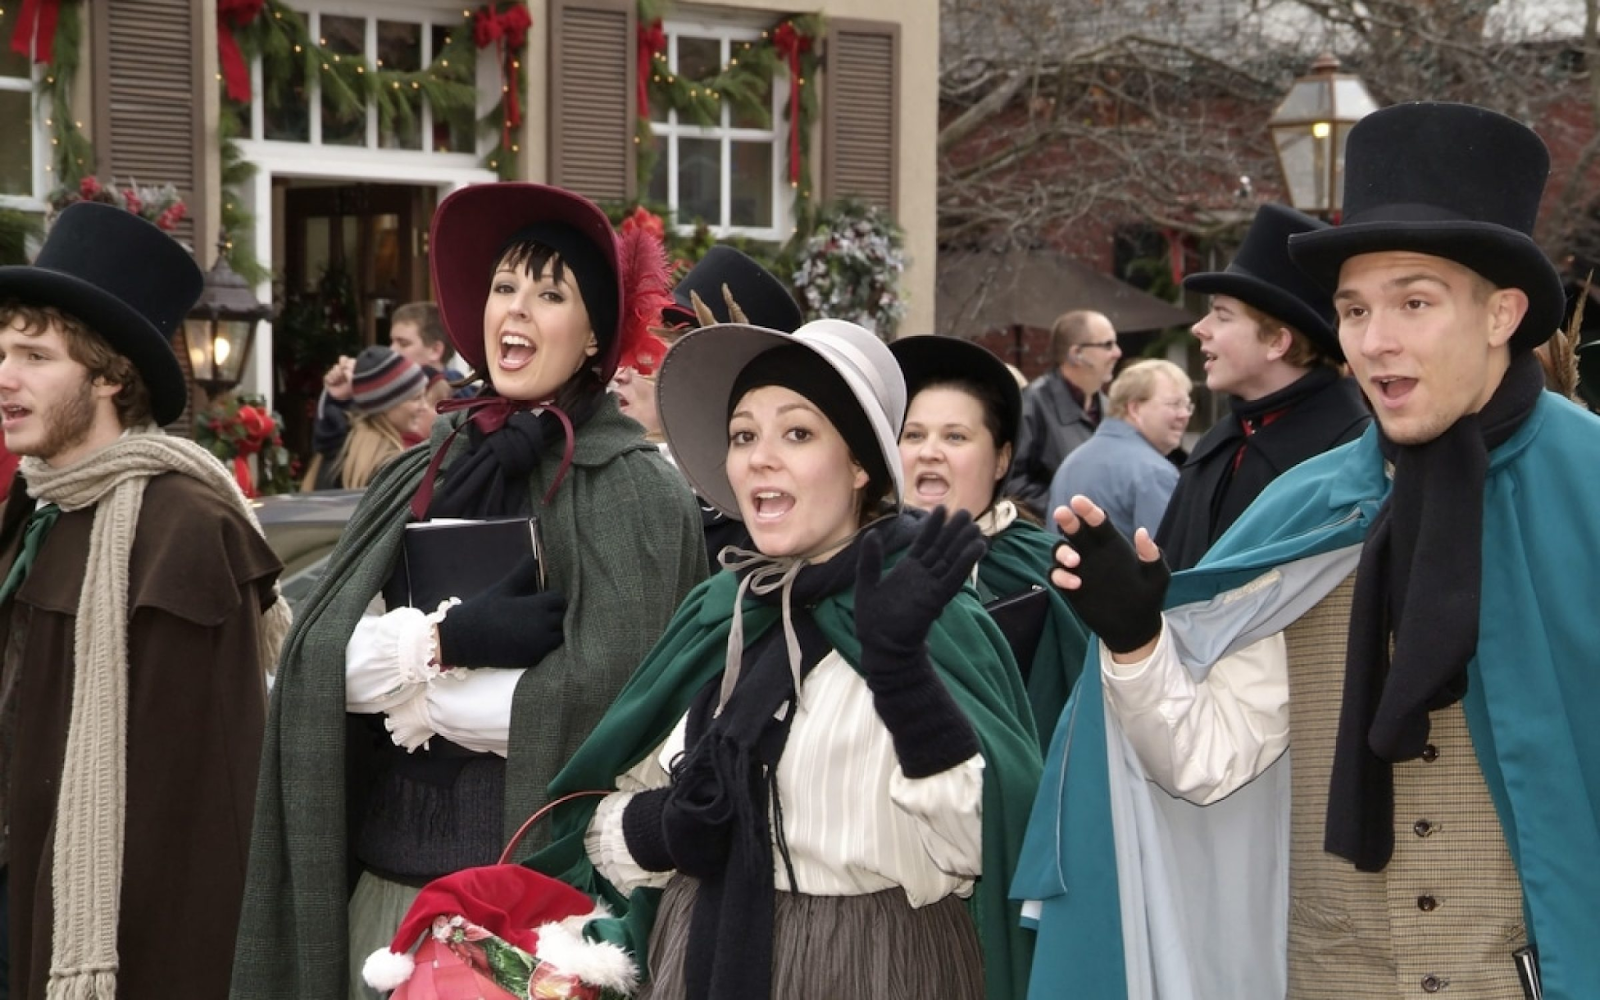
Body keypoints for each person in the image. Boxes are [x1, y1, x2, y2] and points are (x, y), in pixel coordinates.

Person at [1016, 102, 1600, 999]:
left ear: (1501, 314)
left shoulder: (1589, 490)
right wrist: (1135, 642)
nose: (1376, 340)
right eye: (1356, 309)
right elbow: (1207, 761)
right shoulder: (1310, 510)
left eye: (1415, 302)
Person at [231, 183, 708, 999]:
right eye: (504, 287)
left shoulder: (637, 492)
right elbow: (314, 662)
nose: (516, 311)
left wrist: (420, 697)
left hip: (539, 918)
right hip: (383, 893)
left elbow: (623, 713)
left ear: (596, 331)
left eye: (550, 294)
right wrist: (447, 647)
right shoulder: (424, 469)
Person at [528, 319, 1043, 1000]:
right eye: (744, 435)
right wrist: (663, 828)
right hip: (700, 955)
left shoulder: (930, 612)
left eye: (797, 433)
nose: (759, 458)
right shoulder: (721, 611)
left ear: (860, 464)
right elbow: (600, 815)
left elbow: (986, 844)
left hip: (875, 967)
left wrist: (901, 676)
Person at [0, 202, 288, 999]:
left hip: (118, 944)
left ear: (109, 376)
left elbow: (199, 808)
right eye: (1, 352)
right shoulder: (37, 506)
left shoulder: (182, 529)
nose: (4, 377)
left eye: (33, 354)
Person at [891, 333, 1091, 744]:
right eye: (913, 435)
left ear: (1001, 459)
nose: (929, 451)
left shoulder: (1052, 565)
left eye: (955, 436)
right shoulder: (846, 561)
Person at [1156, 203, 1371, 571]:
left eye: (1222, 315)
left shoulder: (1353, 453)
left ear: (1277, 343)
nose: (1200, 328)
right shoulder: (1218, 443)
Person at [1047, 359, 1192, 540]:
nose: (1184, 414)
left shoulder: (1071, 464)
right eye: (1175, 404)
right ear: (1135, 408)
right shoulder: (1154, 472)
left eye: (1187, 405)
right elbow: (1172, 558)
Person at [1004, 309, 1120, 518]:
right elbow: (1010, 480)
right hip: (1055, 538)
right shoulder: (1031, 405)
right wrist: (1064, 511)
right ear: (1076, 354)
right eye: (1107, 345)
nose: (1117, 353)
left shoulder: (1111, 409)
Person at [303, 345, 431, 491]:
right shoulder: (389, 467)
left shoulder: (338, 445)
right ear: (386, 405)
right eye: (416, 398)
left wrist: (334, 399)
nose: (424, 406)